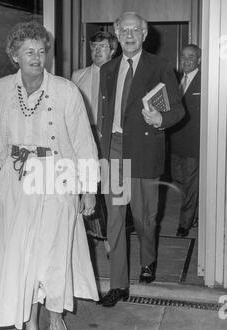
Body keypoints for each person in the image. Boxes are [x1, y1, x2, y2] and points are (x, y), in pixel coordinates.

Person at [0, 21, 99, 330]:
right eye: (28, 51)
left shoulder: (66, 90)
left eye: (41, 50)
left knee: (55, 253)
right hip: (13, 182)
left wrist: (88, 189)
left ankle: (57, 319)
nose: (36, 56)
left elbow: (84, 143)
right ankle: (31, 328)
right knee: (22, 255)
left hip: (57, 175)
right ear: (14, 55)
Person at [98, 12, 184, 307]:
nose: (130, 35)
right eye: (124, 30)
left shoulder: (160, 67)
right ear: (117, 34)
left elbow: (179, 111)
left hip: (145, 151)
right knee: (116, 218)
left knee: (145, 218)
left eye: (136, 30)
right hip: (116, 150)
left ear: (145, 34)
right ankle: (118, 284)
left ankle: (148, 260)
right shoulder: (108, 69)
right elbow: (104, 114)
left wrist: (161, 118)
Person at [72, 31, 118, 246]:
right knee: (88, 185)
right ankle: (92, 232)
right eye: (93, 47)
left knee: (109, 188)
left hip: (111, 138)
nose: (97, 51)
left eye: (102, 47)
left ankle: (111, 236)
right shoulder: (77, 76)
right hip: (85, 136)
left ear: (113, 50)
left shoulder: (121, 74)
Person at [169, 44, 201, 237]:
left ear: (198, 60)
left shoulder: (205, 81)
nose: (187, 60)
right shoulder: (177, 80)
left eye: (191, 57)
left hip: (194, 144)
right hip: (176, 142)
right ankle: (194, 213)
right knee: (178, 181)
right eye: (184, 56)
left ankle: (184, 224)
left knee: (190, 185)